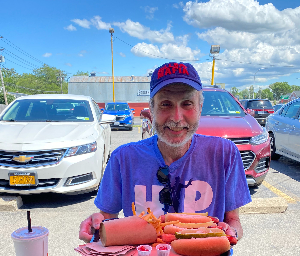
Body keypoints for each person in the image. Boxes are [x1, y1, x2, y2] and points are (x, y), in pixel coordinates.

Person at [79, 62, 251, 243]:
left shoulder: (224, 154)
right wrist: (96, 228)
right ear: (151, 110)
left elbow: (233, 221)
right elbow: (107, 219)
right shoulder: (123, 159)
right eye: (165, 104)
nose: (177, 118)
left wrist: (232, 233)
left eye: (187, 104)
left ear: (200, 108)